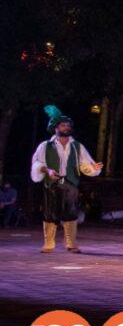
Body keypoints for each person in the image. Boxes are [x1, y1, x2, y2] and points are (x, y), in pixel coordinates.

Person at [29, 106, 103, 253]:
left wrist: (92, 167)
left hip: (70, 183)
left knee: (71, 212)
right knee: (50, 213)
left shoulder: (77, 146)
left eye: (68, 125)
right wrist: (47, 170)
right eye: (63, 125)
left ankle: (71, 243)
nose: (66, 127)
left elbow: (85, 164)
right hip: (51, 183)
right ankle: (49, 244)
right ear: (55, 128)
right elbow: (36, 164)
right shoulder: (45, 146)